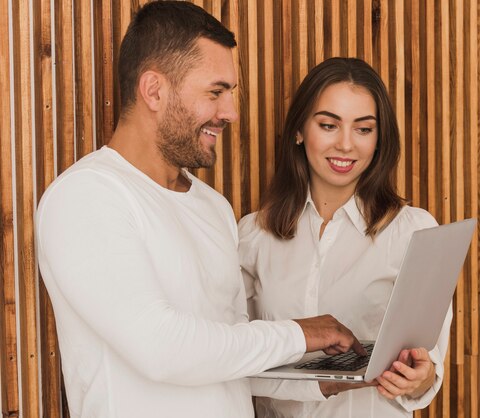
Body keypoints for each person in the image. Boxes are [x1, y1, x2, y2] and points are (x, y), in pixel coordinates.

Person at [35, 3, 364, 417]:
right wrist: (301, 333)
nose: (230, 113)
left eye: (230, 93)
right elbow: (162, 349)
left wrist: (325, 380)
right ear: (153, 90)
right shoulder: (86, 197)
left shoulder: (214, 208)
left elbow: (229, 355)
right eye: (215, 92)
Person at [238, 57, 453, 417]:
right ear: (299, 130)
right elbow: (229, 362)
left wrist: (420, 377)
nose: (346, 144)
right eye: (328, 125)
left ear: (379, 139)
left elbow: (429, 370)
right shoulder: (253, 236)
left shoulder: (414, 232)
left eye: (363, 129)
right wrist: (322, 383)